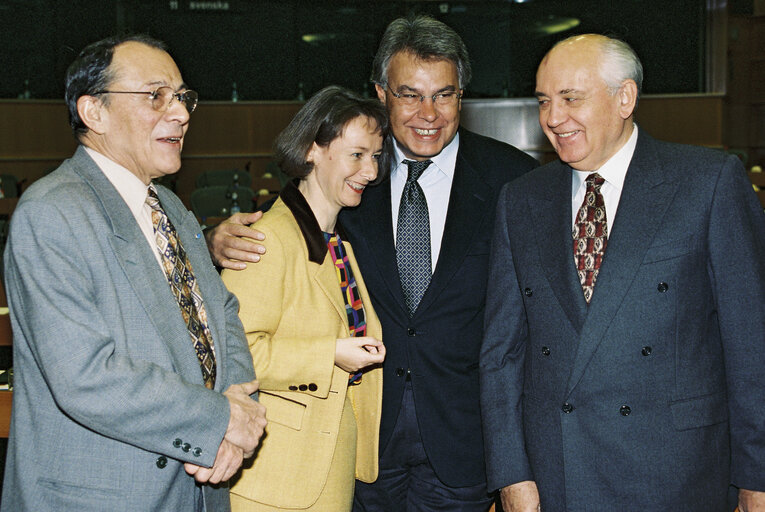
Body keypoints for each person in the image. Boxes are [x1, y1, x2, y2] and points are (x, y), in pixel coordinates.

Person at [208, 15, 538, 511]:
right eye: (409, 94)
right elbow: (286, 237)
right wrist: (215, 239)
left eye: (443, 94)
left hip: (463, 441)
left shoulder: (513, 180)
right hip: (358, 440)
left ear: (462, 96)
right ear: (382, 93)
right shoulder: (353, 173)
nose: (428, 113)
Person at [480, 33, 765, 511]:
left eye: (571, 99)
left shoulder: (707, 182)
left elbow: (751, 344)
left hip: (679, 474)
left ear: (625, 97)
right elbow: (501, 355)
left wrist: (758, 479)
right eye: (545, 101)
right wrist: (511, 474)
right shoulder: (522, 199)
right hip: (558, 478)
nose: (553, 118)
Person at [0, 35, 267, 512]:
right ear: (93, 112)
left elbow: (222, 314)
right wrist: (218, 421)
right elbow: (86, 376)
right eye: (155, 95)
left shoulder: (171, 209)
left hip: (200, 487)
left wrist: (235, 408)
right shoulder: (51, 212)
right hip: (104, 496)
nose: (181, 113)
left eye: (183, 97)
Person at [220, 85, 387, 511]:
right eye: (356, 155)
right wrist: (329, 354)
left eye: (375, 156)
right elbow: (236, 354)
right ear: (312, 151)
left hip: (322, 471)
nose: (370, 171)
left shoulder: (337, 243)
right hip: (277, 484)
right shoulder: (268, 239)